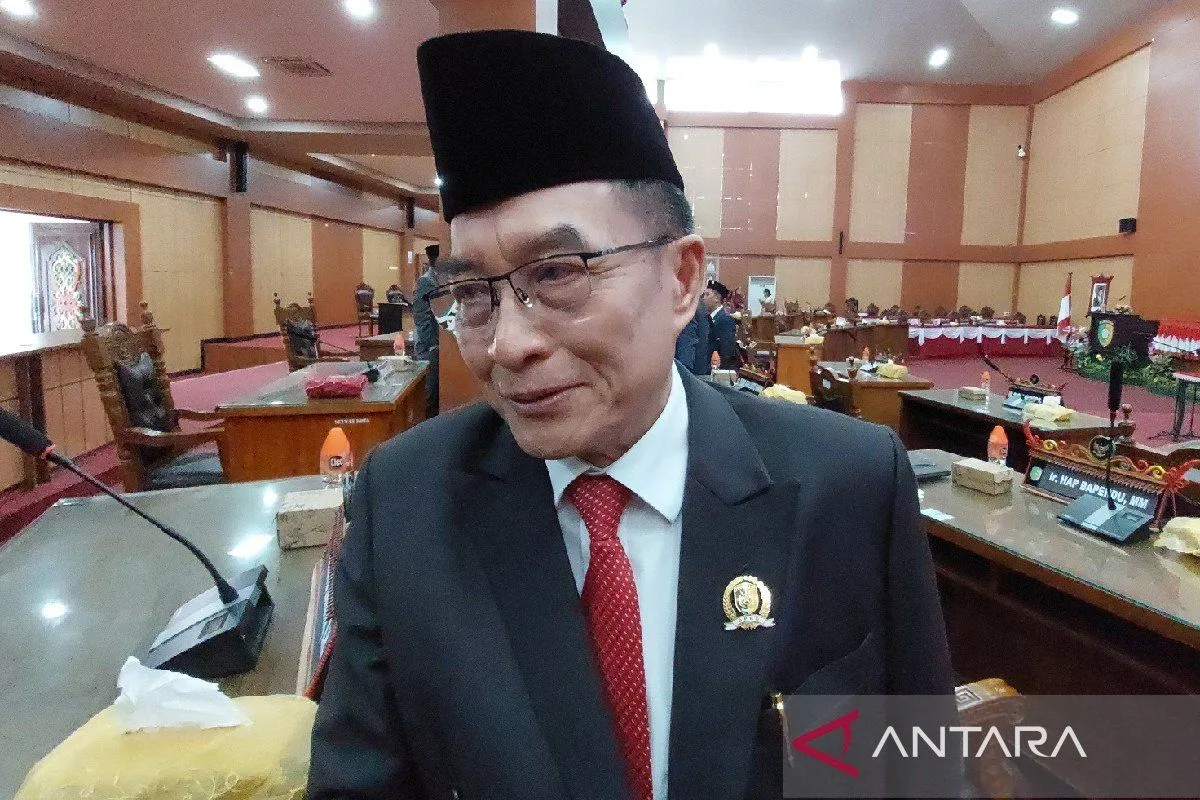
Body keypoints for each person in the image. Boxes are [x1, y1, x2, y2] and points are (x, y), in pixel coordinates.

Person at [308, 29, 956, 800]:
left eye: (558, 273)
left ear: (682, 279)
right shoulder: (406, 507)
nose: (507, 345)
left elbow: (911, 773)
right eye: (474, 294)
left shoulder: (847, 486)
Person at [412, 244, 441, 416]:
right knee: (429, 394)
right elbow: (421, 316)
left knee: (437, 392)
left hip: (438, 345)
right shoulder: (426, 281)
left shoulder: (439, 280)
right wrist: (431, 345)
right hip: (428, 347)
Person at [704, 280, 738, 369]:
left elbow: (727, 351)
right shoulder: (707, 318)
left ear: (717, 298)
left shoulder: (725, 320)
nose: (704, 298)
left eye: (707, 295)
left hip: (716, 369)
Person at [673, 298, 711, 376]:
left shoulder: (687, 306)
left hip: (688, 370)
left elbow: (686, 342)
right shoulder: (698, 305)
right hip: (697, 368)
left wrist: (682, 373)